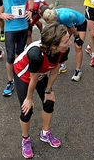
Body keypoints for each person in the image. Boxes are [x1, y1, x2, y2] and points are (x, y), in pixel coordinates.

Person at [13, 23, 71, 159]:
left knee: (49, 102)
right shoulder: (36, 54)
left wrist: (48, 91)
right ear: (54, 46)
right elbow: (33, 79)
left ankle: (45, 133)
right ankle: (25, 139)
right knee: (27, 110)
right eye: (66, 41)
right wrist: (29, 98)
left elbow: (55, 70)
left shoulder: (64, 50)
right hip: (24, 75)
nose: (70, 42)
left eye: (68, 38)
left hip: (40, 75)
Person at [41, 6, 87, 82]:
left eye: (51, 22)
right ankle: (62, 65)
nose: (49, 24)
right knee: (61, 44)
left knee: (78, 46)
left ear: (55, 18)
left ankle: (78, 70)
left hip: (80, 22)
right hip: (67, 24)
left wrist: (77, 37)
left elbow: (72, 28)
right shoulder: (50, 13)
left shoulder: (63, 17)